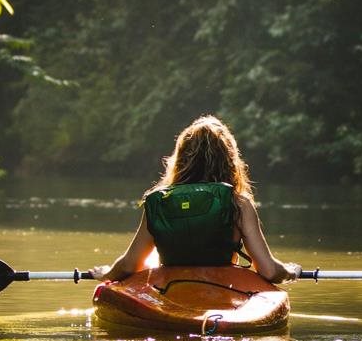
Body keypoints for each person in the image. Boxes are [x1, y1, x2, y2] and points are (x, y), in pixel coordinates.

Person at [90, 115, 300, 284]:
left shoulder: (160, 202)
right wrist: (290, 271)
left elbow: (129, 265)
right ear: (229, 160)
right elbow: (270, 271)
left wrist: (107, 274)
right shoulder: (239, 204)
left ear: (180, 158)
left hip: (170, 291)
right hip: (223, 290)